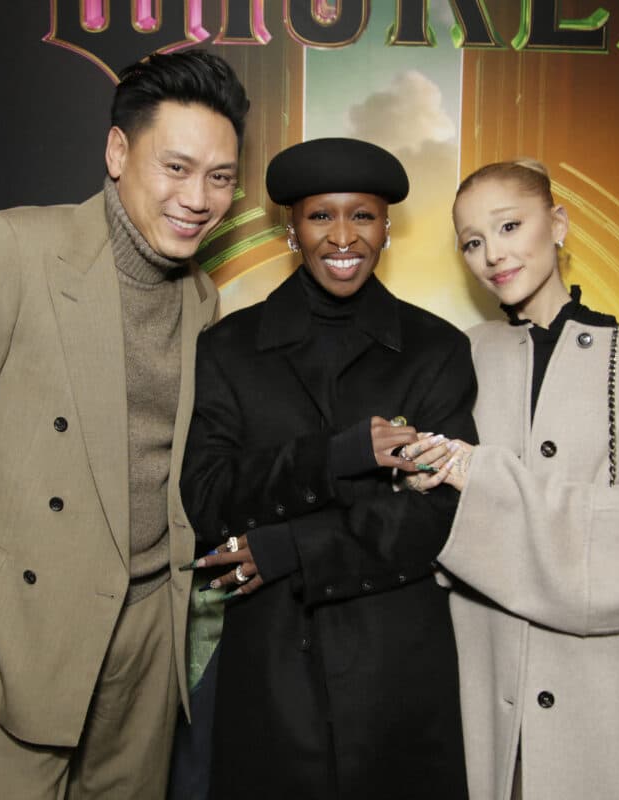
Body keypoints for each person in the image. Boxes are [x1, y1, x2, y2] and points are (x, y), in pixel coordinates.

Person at [0, 51, 248, 799]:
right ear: (118, 153)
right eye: (175, 167)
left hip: (146, 643)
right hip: (13, 632)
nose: (198, 197)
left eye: (219, 177)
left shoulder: (202, 301)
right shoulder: (11, 250)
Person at [179, 137, 475, 799]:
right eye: (321, 216)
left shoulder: (436, 351)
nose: (343, 236)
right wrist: (338, 456)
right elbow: (205, 498)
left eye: (363, 215)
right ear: (293, 227)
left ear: (387, 226)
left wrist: (288, 545)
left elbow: (434, 516)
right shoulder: (228, 348)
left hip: (397, 667)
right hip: (271, 665)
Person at [407, 159, 619, 800]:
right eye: (472, 242)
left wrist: (477, 473)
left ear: (559, 223)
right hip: (479, 684)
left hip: (598, 693)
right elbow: (424, 527)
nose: (493, 254)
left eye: (509, 225)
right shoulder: (458, 358)